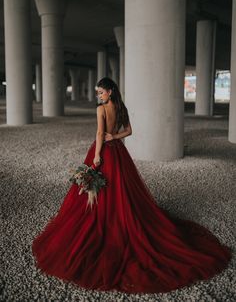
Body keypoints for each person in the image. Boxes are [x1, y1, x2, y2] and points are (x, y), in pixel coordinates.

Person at [32, 77, 232, 294]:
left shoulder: (101, 110)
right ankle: (118, 213)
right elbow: (128, 131)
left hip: (105, 152)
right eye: (98, 92)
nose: (99, 95)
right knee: (121, 189)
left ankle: (106, 218)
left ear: (110, 91)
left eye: (101, 92)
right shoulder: (120, 107)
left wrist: (97, 155)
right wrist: (114, 136)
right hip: (118, 151)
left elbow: (99, 134)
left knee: (100, 188)